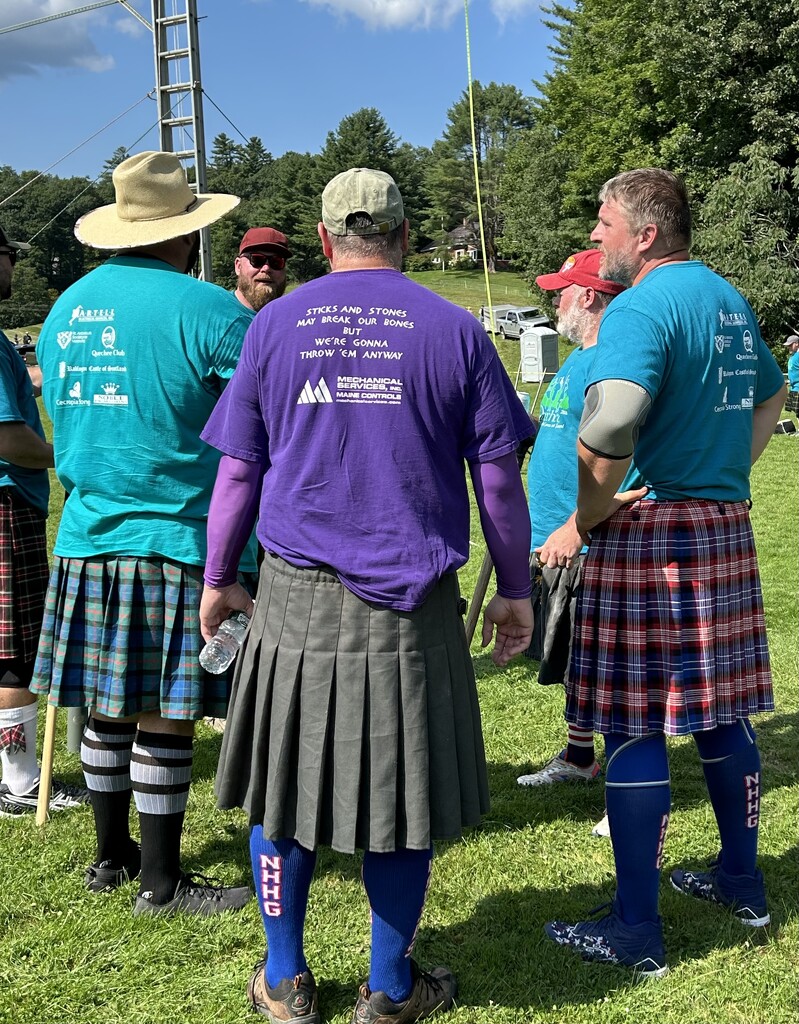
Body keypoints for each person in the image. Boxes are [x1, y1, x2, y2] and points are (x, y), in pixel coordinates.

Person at [199, 167, 535, 1022]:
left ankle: (285, 981)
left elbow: (237, 471)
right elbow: (497, 485)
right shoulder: (456, 331)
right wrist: (516, 591)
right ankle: (387, 992)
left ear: (321, 240)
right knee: (401, 796)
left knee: (284, 788)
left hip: (294, 597)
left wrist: (216, 578)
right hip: (410, 606)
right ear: (407, 235)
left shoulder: (272, 325)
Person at [543, 168, 786, 978]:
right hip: (719, 521)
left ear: (644, 234)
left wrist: (587, 510)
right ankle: (741, 883)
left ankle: (634, 929)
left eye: (605, 221)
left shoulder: (641, 306)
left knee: (633, 723)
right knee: (720, 716)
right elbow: (770, 391)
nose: (598, 234)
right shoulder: (724, 296)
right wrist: (725, 474)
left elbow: (611, 415)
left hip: (652, 532)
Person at [30, 151, 257, 916]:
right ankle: (161, 885)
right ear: (187, 237)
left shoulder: (67, 307)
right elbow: (267, 425)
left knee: (105, 707)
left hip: (88, 534)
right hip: (178, 537)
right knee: (163, 712)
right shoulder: (210, 311)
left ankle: (111, 858)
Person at [516, 250, 629, 801]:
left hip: (589, 542)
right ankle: (581, 756)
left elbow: (631, 467)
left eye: (561, 290)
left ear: (588, 296)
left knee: (611, 668)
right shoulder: (577, 356)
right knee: (575, 658)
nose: (553, 299)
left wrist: (578, 528)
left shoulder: (610, 358)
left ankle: (631, 779)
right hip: (554, 542)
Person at [0, 224, 89, 817]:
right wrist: (70, 451)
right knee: (13, 649)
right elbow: (9, 437)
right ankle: (19, 781)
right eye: (9, 256)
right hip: (7, 500)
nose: (12, 267)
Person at [234, 227, 290, 312]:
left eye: (276, 262)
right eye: (257, 260)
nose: (266, 268)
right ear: (238, 266)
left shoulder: (293, 319)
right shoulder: (217, 314)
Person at [784, 333, 799, 413]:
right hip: (793, 388)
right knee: (796, 413)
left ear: (796, 344)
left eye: (790, 345)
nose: (788, 347)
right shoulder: (793, 356)